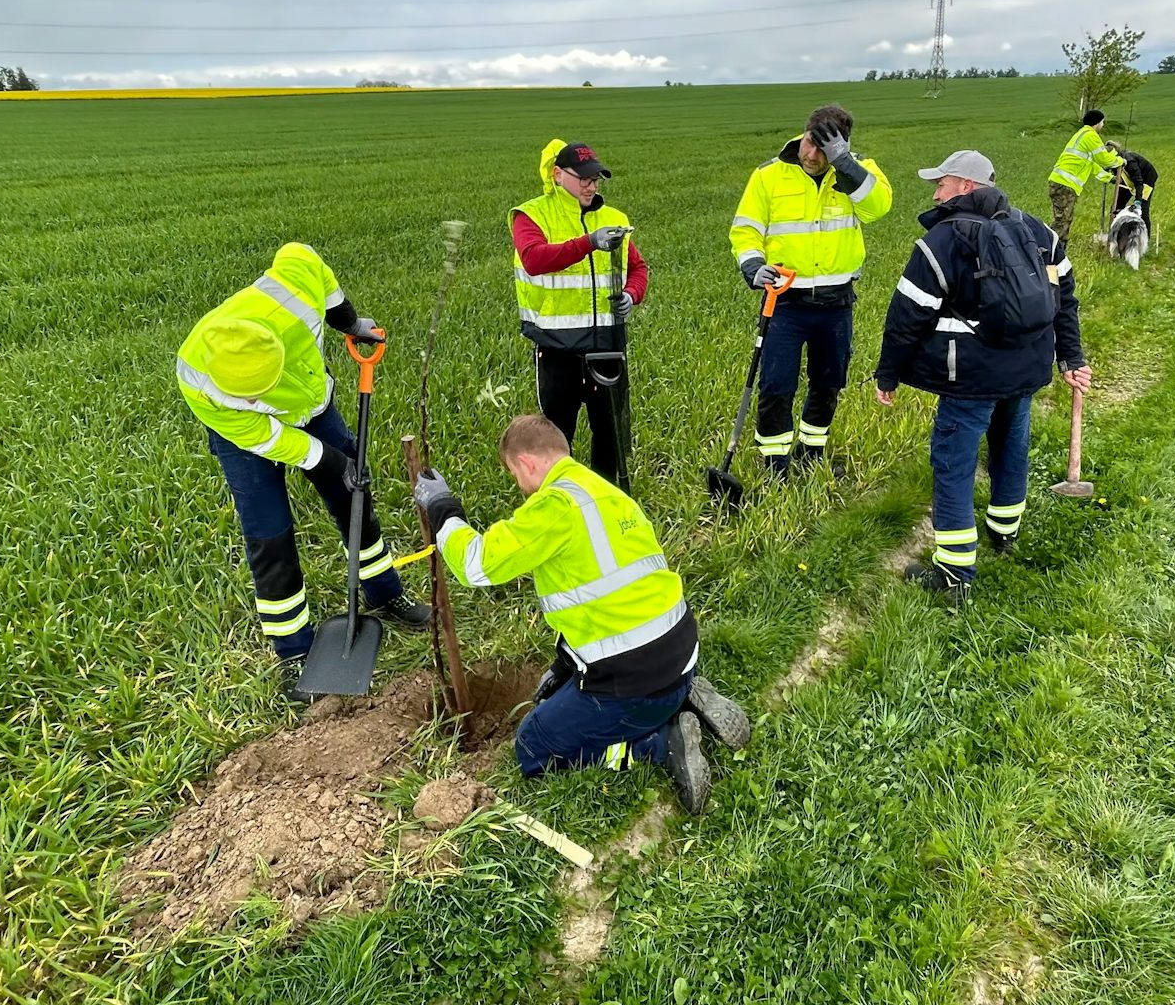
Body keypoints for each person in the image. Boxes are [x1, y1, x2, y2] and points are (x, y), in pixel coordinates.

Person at [413, 415, 751, 815]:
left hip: (636, 681)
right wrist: (566, 663)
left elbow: (477, 563)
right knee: (607, 692)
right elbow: (607, 595)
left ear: (526, 462)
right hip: (679, 651)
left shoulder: (554, 505)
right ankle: (682, 695)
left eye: (512, 474)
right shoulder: (606, 493)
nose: (518, 486)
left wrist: (443, 510)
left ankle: (660, 744)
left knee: (535, 748)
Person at [175, 242, 432, 703]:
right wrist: (331, 459)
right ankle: (295, 649)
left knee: (355, 496)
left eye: (261, 391)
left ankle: (383, 591)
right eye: (247, 396)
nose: (258, 403)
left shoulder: (294, 294)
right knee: (268, 533)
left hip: (313, 407)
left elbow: (305, 256)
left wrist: (349, 321)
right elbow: (267, 436)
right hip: (247, 441)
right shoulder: (197, 376)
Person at [871, 151, 1091, 603]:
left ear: (967, 188)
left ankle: (953, 574)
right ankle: (1003, 534)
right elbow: (1065, 299)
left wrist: (887, 375)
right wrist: (1070, 357)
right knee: (1012, 448)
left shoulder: (941, 242)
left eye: (943, 183)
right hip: (1027, 371)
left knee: (953, 465)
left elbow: (906, 318)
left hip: (968, 378)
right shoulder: (1038, 231)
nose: (936, 193)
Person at [728, 103, 893, 476]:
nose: (812, 155)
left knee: (828, 381)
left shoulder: (858, 173)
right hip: (784, 299)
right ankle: (776, 463)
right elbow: (745, 229)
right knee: (776, 384)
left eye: (823, 149)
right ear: (803, 134)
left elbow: (878, 208)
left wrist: (846, 164)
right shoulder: (769, 175)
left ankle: (811, 453)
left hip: (836, 301)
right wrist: (752, 265)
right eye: (809, 143)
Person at [512, 139, 647, 487]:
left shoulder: (615, 218)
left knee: (610, 434)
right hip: (558, 349)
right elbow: (535, 258)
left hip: (607, 345)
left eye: (596, 178)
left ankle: (605, 498)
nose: (591, 185)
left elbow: (638, 268)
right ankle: (561, 500)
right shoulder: (531, 215)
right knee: (556, 439)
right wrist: (590, 242)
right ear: (558, 175)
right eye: (583, 178)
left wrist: (632, 296)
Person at [1046, 109, 1126, 245]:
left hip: (1060, 183)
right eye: (1102, 122)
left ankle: (1052, 248)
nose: (1103, 125)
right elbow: (1104, 159)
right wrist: (1121, 161)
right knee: (1062, 221)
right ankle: (1054, 251)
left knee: (1063, 219)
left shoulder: (1082, 135)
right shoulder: (1090, 135)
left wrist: (1109, 178)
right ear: (1097, 122)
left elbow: (1093, 165)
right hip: (1065, 184)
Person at [1103, 140, 1157, 227]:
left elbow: (1139, 182)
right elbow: (1119, 179)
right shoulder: (1113, 163)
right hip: (1129, 180)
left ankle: (1145, 237)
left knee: (1143, 210)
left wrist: (1138, 201)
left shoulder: (1129, 162)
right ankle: (1117, 232)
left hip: (1146, 179)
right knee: (1116, 206)